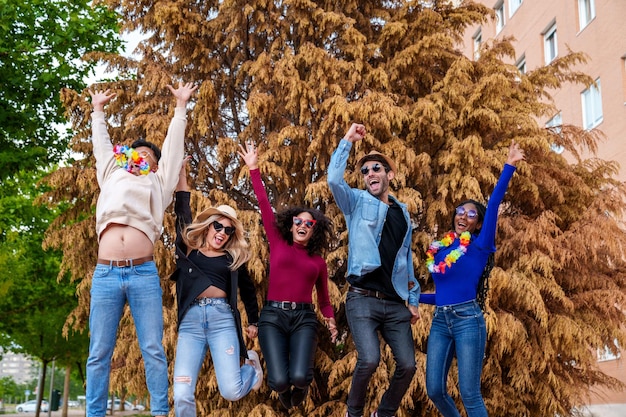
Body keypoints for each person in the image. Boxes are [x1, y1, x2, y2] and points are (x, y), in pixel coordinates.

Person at [86, 82, 197, 417]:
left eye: (150, 154)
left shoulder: (157, 183)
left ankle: (160, 413)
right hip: (105, 273)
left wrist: (180, 108)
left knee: (152, 349)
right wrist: (98, 111)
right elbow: (100, 146)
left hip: (142, 272)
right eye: (139, 152)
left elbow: (172, 148)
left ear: (156, 164)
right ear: (127, 156)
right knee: (99, 352)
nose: (143, 154)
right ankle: (94, 414)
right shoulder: (111, 172)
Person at [420, 141, 525, 417]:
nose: (463, 215)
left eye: (471, 214)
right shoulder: (442, 248)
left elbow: (493, 204)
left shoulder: (480, 246)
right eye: (459, 211)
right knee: (434, 390)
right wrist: (414, 296)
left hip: (468, 320)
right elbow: (443, 293)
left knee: (469, 392)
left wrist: (509, 165)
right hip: (441, 320)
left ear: (477, 223)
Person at [327, 123, 420, 417]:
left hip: (394, 303)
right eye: (365, 171)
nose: (370, 174)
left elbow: (406, 259)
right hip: (362, 299)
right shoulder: (355, 202)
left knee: (407, 365)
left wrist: (413, 300)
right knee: (369, 359)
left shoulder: (402, 212)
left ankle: (385, 413)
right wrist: (347, 141)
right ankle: (353, 413)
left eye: (376, 169)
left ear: (389, 175)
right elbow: (333, 180)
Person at [238, 140, 338, 410]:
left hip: (304, 317)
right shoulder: (278, 242)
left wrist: (329, 320)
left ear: (314, 230)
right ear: (291, 225)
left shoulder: (317, 261)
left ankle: (301, 389)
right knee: (280, 381)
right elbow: (263, 203)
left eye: (309, 223)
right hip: (273, 317)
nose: (303, 225)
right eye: (298, 221)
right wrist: (254, 168)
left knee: (300, 376)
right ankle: (284, 394)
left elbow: (325, 299)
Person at [170, 159, 263, 416]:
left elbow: (248, 291)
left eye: (229, 231)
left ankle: (252, 368)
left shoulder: (233, 259)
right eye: (218, 226)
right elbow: (182, 213)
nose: (222, 232)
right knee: (181, 393)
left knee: (231, 391)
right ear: (209, 225)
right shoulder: (189, 251)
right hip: (190, 324)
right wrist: (181, 175)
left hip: (222, 320)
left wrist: (254, 321)